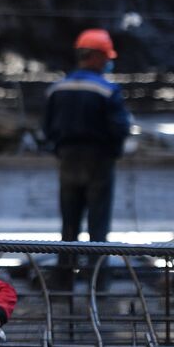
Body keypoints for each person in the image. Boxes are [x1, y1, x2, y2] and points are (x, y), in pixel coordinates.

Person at [42, 29, 133, 280]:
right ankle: (98, 281)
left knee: (69, 225)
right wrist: (115, 151)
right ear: (95, 57)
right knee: (98, 225)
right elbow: (120, 128)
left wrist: (61, 149)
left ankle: (63, 278)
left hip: (68, 159)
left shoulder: (56, 89)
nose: (108, 62)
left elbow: (47, 129)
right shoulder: (107, 90)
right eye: (106, 57)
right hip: (99, 160)